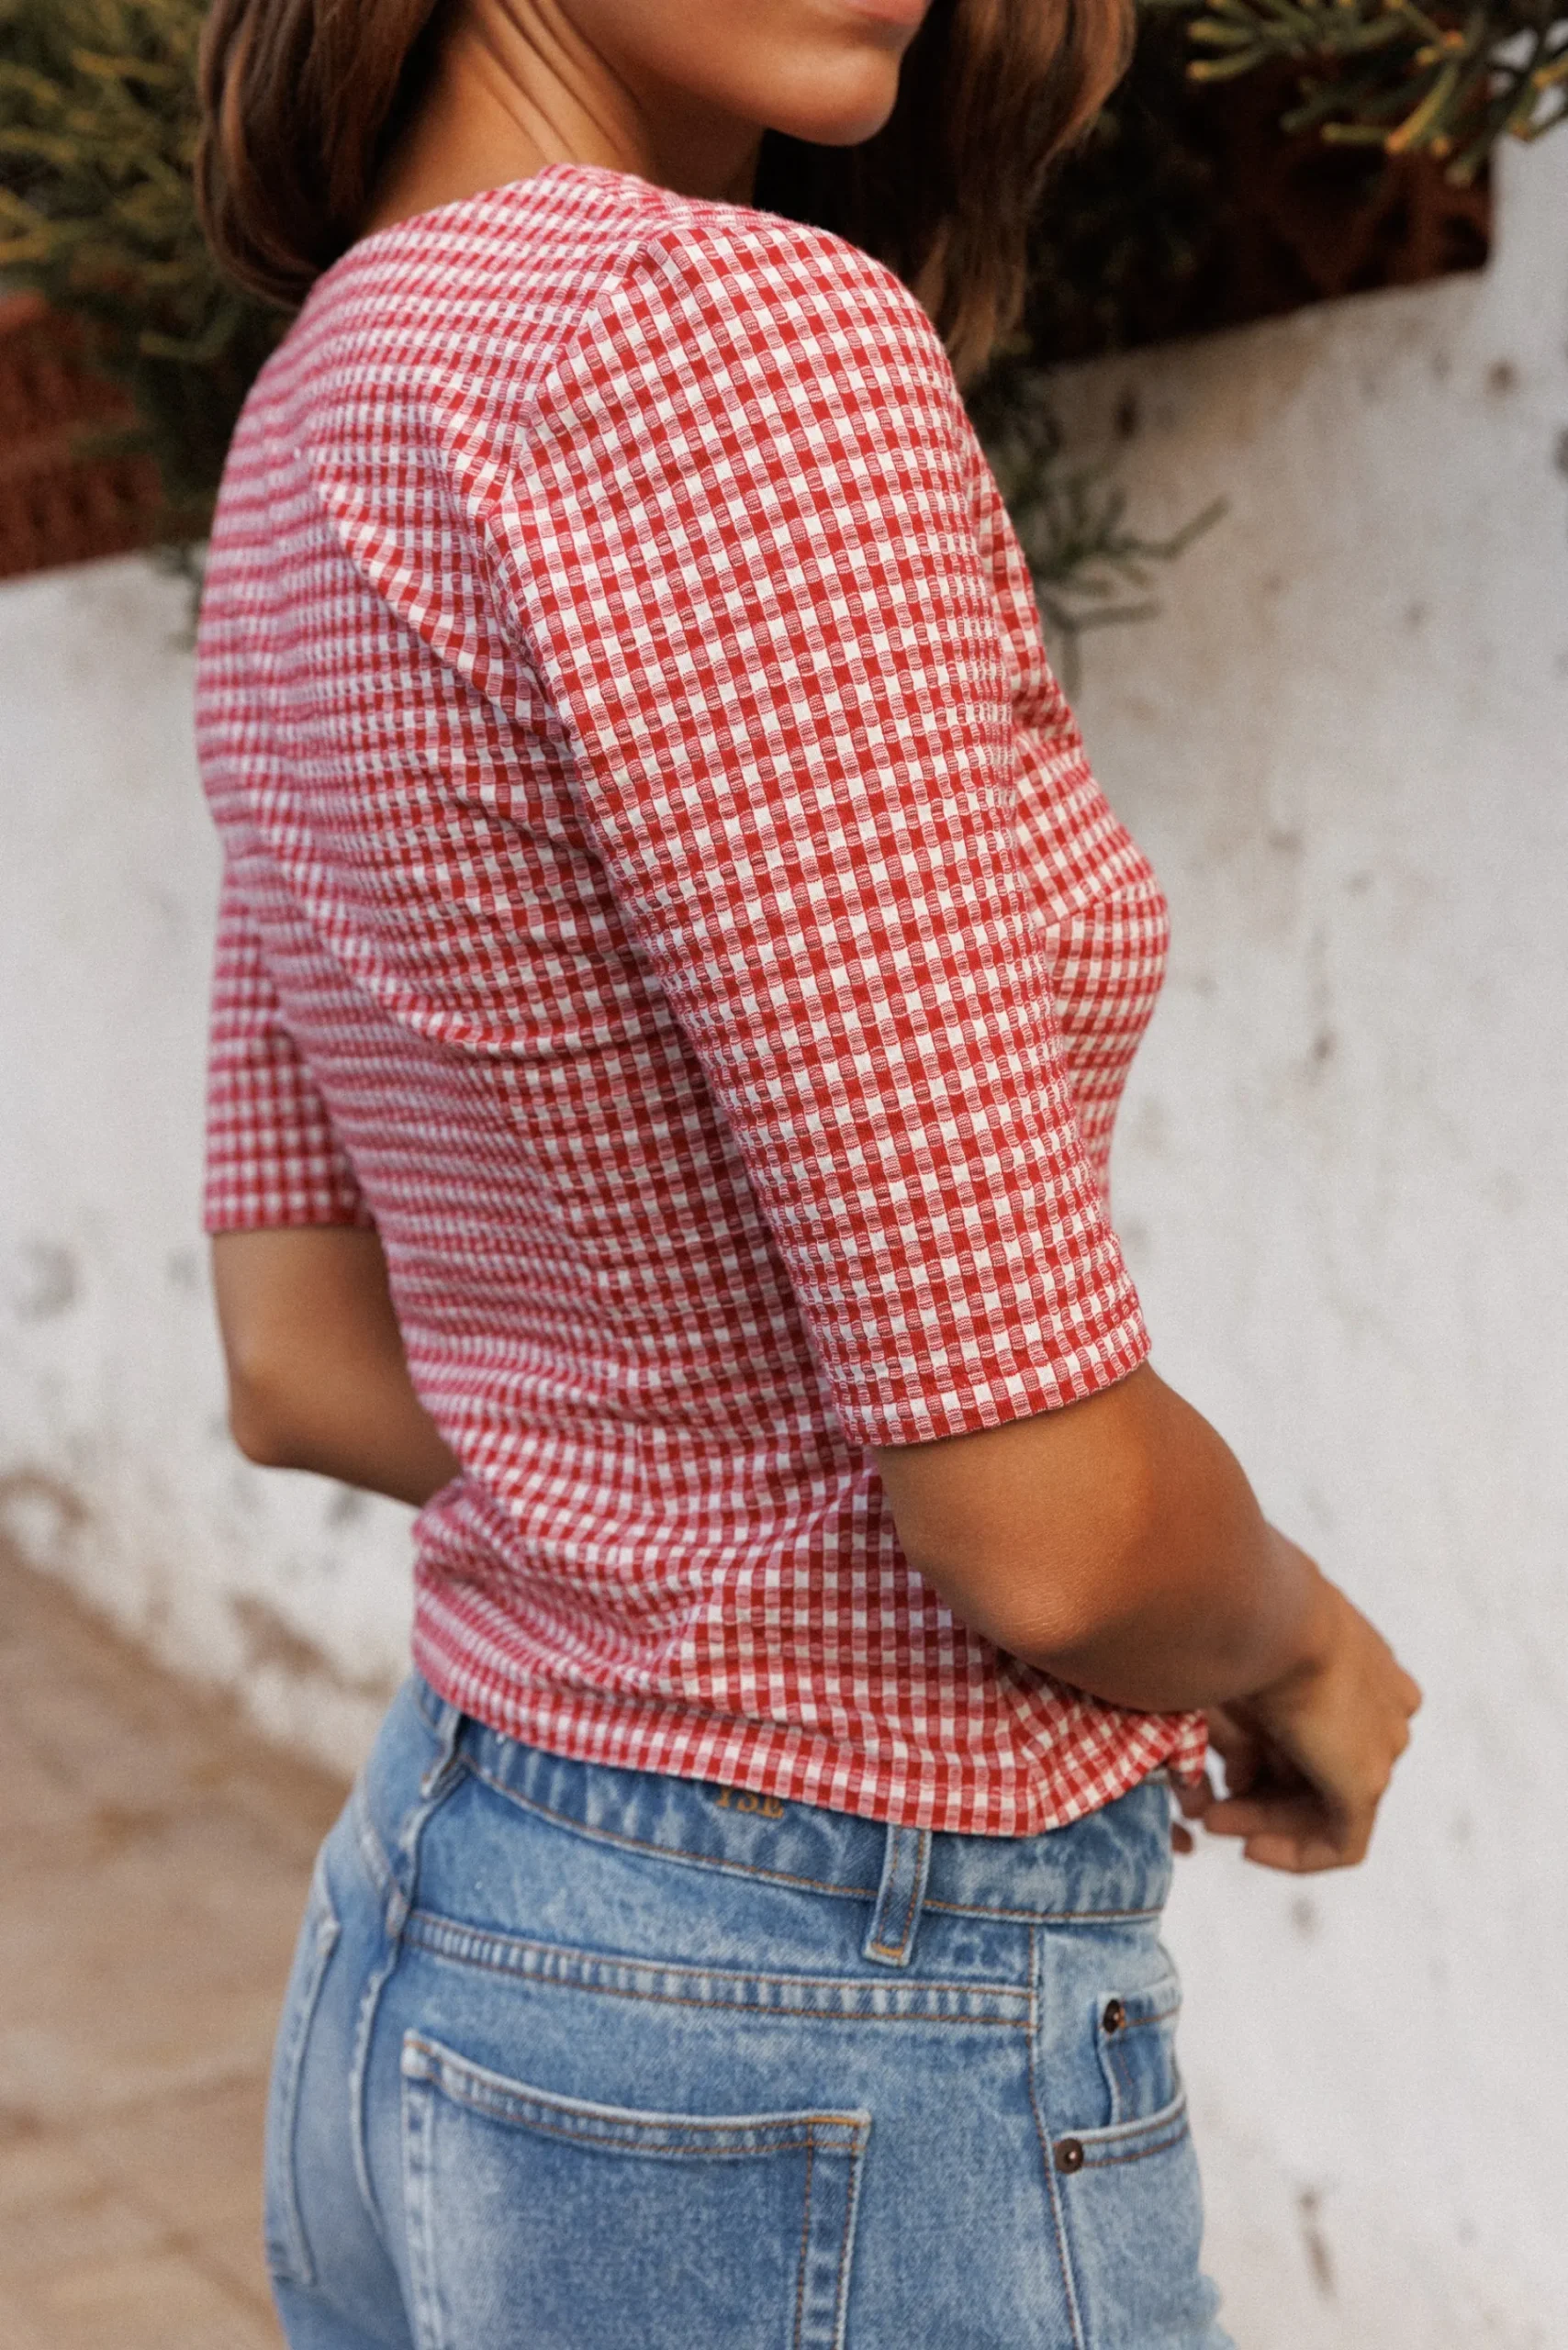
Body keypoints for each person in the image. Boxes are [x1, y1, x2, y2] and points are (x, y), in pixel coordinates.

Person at [193, 1, 1422, 2342]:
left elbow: (303, 1355)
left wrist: (681, 1512)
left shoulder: (309, 413)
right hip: (814, 2040)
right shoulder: (715, 338)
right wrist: (1293, 1639)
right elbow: (1046, 1520)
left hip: (434, 1934)